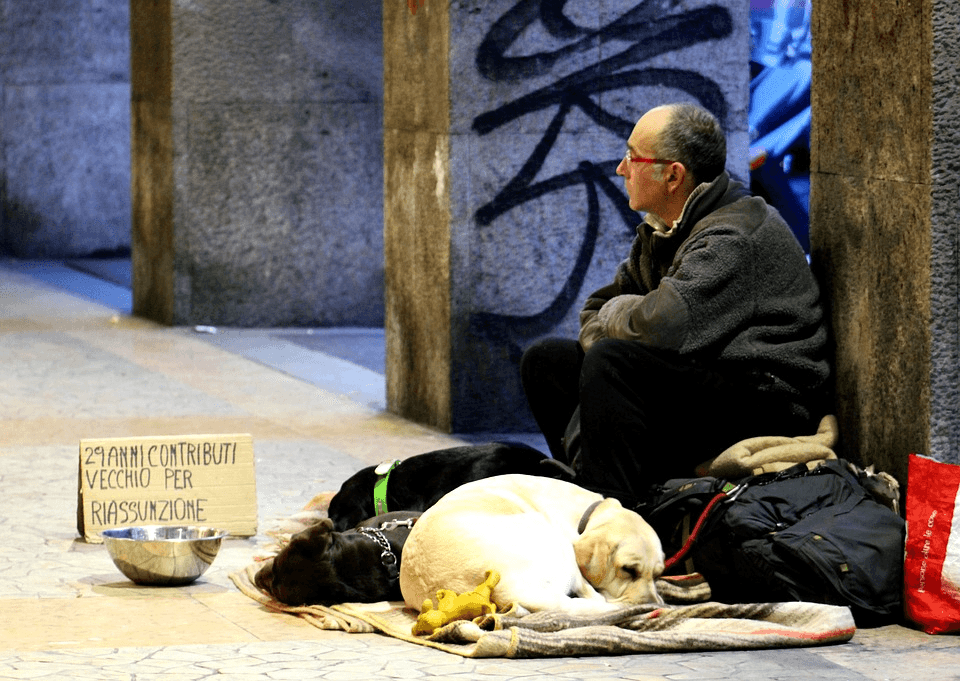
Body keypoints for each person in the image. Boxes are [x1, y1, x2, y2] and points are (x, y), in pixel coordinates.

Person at [520, 103, 832, 507]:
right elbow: (597, 307)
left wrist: (620, 318)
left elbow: (657, 327)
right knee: (547, 360)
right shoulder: (665, 227)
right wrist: (623, 318)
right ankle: (592, 485)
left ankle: (615, 515)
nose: (620, 169)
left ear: (673, 175)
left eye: (633, 157)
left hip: (766, 400)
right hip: (704, 377)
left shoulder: (732, 235)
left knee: (613, 362)